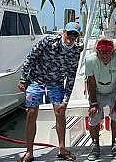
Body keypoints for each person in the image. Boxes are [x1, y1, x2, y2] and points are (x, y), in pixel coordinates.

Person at [17, 22, 81, 162]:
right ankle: (29, 152)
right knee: (31, 112)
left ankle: (62, 149)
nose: (71, 37)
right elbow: (30, 58)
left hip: (56, 83)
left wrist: (65, 101)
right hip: (36, 81)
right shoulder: (48, 41)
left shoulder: (76, 52)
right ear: (64, 32)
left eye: (74, 34)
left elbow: (71, 77)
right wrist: (23, 79)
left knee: (60, 112)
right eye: (69, 33)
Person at [85, 36, 116, 161]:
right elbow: (90, 81)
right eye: (102, 51)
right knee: (94, 115)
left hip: (113, 90)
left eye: (108, 51)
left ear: (112, 51)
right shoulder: (90, 60)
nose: (105, 54)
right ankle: (95, 144)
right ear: (97, 51)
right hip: (96, 91)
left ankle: (115, 144)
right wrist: (93, 102)